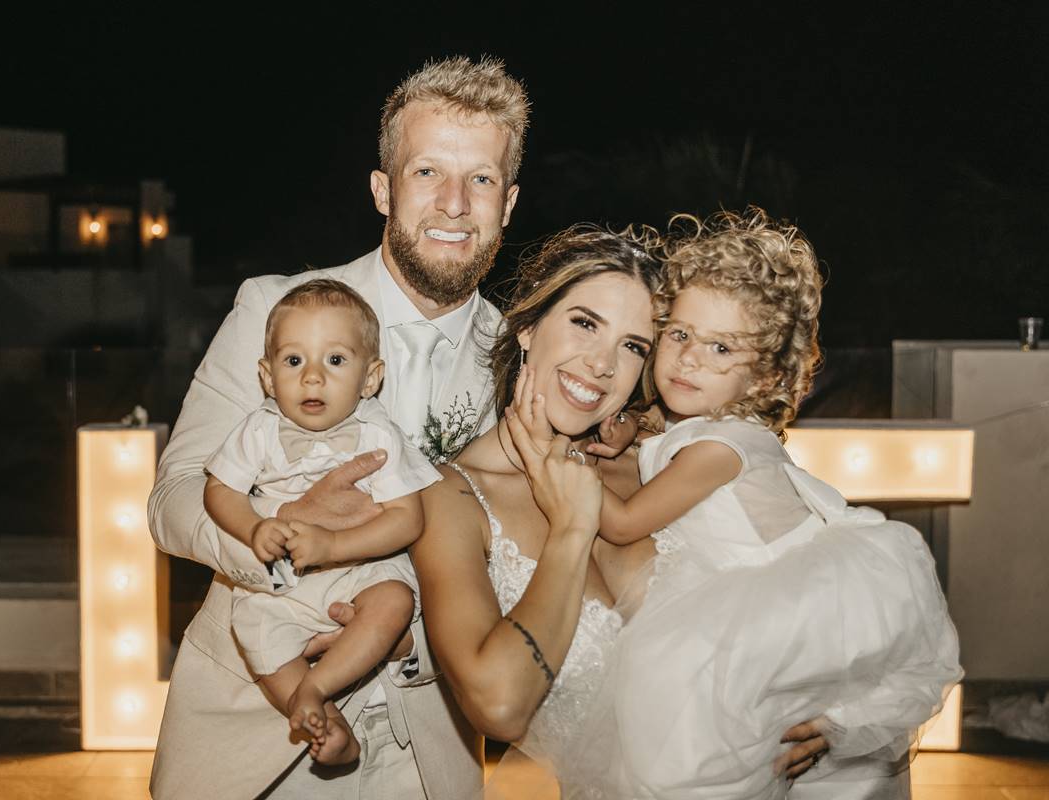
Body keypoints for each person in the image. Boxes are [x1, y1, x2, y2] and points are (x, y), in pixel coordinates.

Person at [148, 55, 530, 800]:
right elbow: (172, 501)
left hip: (432, 746)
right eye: (428, 173)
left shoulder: (530, 358)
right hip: (253, 738)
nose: (454, 203)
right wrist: (282, 539)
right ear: (383, 189)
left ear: (509, 203)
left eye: (480, 179)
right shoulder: (273, 308)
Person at [412, 225, 832, 800]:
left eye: (634, 346)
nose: (603, 364)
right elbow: (501, 706)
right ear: (529, 328)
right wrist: (572, 527)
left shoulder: (662, 462)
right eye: (585, 323)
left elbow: (805, 577)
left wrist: (832, 703)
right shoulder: (453, 498)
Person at [569, 208, 963, 798]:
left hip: (783, 613)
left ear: (762, 378)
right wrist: (628, 427)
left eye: (721, 347)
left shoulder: (720, 447)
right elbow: (652, 430)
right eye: (679, 334)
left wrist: (565, 464)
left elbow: (625, 523)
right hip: (759, 616)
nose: (690, 358)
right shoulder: (700, 426)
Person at [203, 279, 442, 763]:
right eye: (294, 361)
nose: (312, 378)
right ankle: (325, 725)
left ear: (370, 378)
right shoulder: (259, 429)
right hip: (285, 583)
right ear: (268, 378)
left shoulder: (377, 434)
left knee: (394, 599)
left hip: (359, 569)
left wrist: (334, 545)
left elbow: (406, 519)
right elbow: (218, 491)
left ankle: (314, 690)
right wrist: (254, 527)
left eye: (335, 361)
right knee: (255, 628)